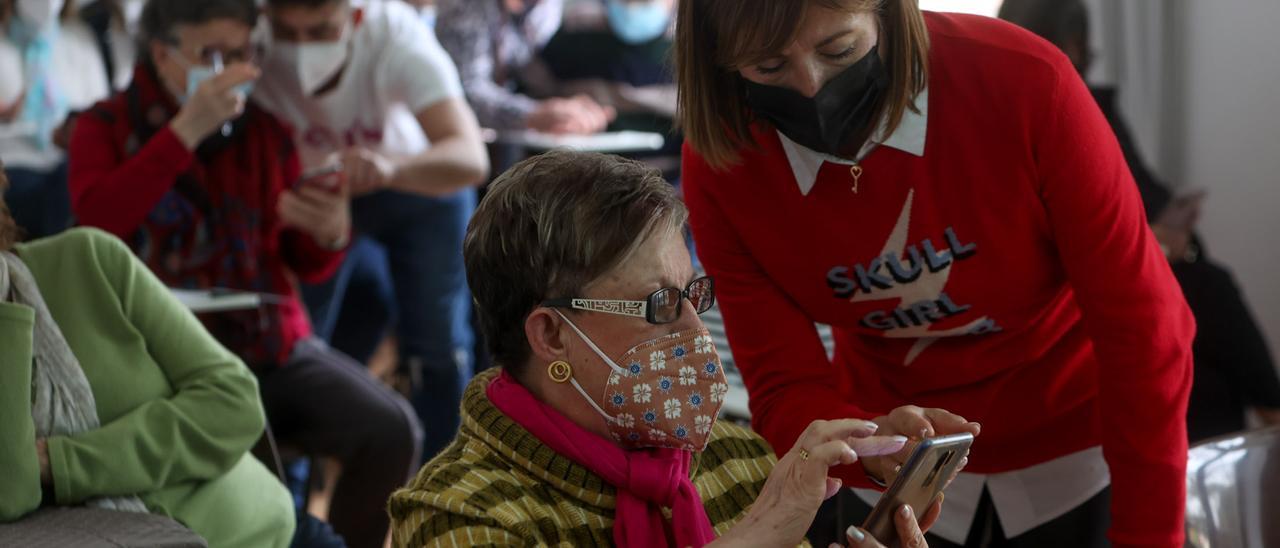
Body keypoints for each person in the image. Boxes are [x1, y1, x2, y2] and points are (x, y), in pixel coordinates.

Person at [675, 1, 1195, 547]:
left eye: (840, 50)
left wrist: (1149, 534)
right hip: (895, 472)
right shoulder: (722, 161)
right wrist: (871, 446)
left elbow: (1145, 332)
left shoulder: (1022, 82)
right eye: (768, 68)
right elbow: (784, 386)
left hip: (1077, 448)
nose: (811, 87)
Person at [388, 150, 955, 547]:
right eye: (660, 306)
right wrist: (759, 534)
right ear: (552, 335)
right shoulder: (457, 514)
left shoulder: (736, 461)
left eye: (692, 295)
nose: (694, 330)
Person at [66, 1, 423, 545]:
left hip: (267, 345)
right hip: (158, 362)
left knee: (392, 428)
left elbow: (301, 259)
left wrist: (328, 231)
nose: (231, 71)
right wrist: (183, 133)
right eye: (211, 55)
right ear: (163, 56)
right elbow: (98, 222)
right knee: (249, 452)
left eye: (240, 54)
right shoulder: (103, 127)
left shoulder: (265, 132)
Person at [998, 0, 1280, 444]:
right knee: (1206, 289)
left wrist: (1167, 230)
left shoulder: (1007, 113)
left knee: (1201, 298)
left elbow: (1140, 198)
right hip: (1081, 286)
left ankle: (1264, 418)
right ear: (1072, 47)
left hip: (1103, 271)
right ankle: (1270, 414)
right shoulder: (1067, 109)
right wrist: (1166, 242)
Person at [0, 166, 295, 547]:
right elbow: (10, 491)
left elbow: (236, 399)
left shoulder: (87, 259)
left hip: (260, 529)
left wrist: (61, 464)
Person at [254, 0, 490, 466]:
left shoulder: (395, 35)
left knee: (436, 347)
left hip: (414, 182)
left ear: (355, 16)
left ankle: (442, 486)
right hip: (316, 193)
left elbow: (469, 157)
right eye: (288, 31)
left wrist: (387, 169)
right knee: (299, 345)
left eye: (320, 30)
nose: (302, 47)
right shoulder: (252, 40)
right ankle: (294, 502)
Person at [0, 0, 111, 239]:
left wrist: (76, 131)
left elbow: (103, 116)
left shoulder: (80, 41)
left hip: (64, 166)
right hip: (11, 170)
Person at [434, 0, 615, 135]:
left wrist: (570, 110)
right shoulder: (466, 8)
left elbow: (526, 67)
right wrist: (532, 114)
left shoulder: (547, 8)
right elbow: (464, 92)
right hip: (442, 136)